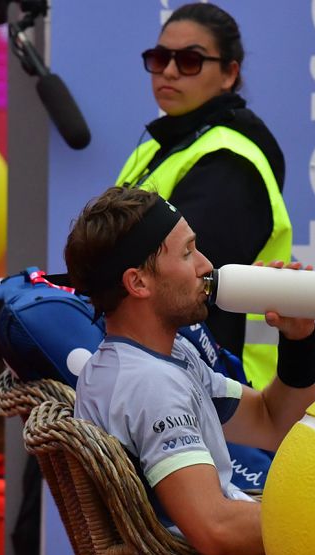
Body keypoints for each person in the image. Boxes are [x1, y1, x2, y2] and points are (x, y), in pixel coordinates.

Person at [64, 186, 315, 555]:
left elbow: (271, 421)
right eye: (187, 253)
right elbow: (214, 529)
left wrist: (298, 340)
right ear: (138, 283)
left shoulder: (161, 356)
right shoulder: (149, 386)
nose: (206, 265)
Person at [116, 3, 291, 391]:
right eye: (160, 58)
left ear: (230, 73)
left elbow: (176, 282)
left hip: (223, 391)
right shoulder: (160, 148)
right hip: (165, 372)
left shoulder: (229, 161)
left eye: (190, 60)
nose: (170, 71)